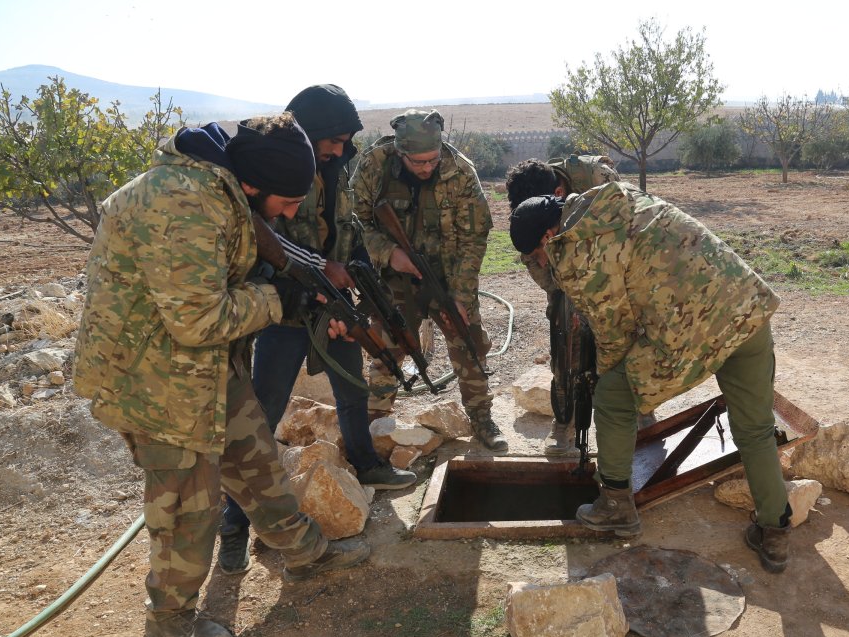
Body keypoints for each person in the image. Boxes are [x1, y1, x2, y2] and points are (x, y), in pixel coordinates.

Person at [73, 112, 369, 637]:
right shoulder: (184, 205)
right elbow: (197, 319)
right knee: (190, 505)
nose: (292, 212)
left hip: (204, 366)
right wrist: (281, 300)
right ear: (253, 184)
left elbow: (223, 277)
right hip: (153, 379)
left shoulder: (220, 191)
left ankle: (303, 552)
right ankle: (170, 620)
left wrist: (290, 291)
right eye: (286, 201)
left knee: (253, 455)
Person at [508, 185, 794, 573]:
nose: (543, 261)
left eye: (538, 256)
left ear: (547, 237)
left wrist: (607, 378)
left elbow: (614, 334)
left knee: (611, 397)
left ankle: (616, 507)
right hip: (746, 308)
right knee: (756, 430)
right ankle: (775, 531)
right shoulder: (616, 197)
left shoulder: (575, 253)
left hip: (692, 330)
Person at [216, 85, 416, 576]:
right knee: (263, 412)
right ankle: (234, 524)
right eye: (335, 140)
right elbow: (266, 239)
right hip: (285, 309)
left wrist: (358, 278)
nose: (340, 150)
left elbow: (344, 230)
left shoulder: (336, 171)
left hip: (334, 301)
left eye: (346, 142)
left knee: (352, 385)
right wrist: (314, 275)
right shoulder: (277, 172)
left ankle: (366, 463)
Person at [350, 109, 508, 452]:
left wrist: (462, 297)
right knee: (389, 347)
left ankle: (481, 417)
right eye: (417, 162)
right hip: (395, 276)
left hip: (448, 275)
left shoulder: (462, 172)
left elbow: (475, 237)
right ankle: (374, 424)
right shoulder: (375, 165)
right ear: (401, 152)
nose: (426, 168)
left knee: (469, 343)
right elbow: (354, 220)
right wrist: (389, 253)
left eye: (432, 160)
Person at [504, 156, 654, 455]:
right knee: (565, 339)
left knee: (625, 340)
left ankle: (644, 418)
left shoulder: (599, 185)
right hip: (564, 277)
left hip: (615, 267)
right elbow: (545, 275)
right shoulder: (532, 208)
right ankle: (564, 426)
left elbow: (629, 240)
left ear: (558, 194)